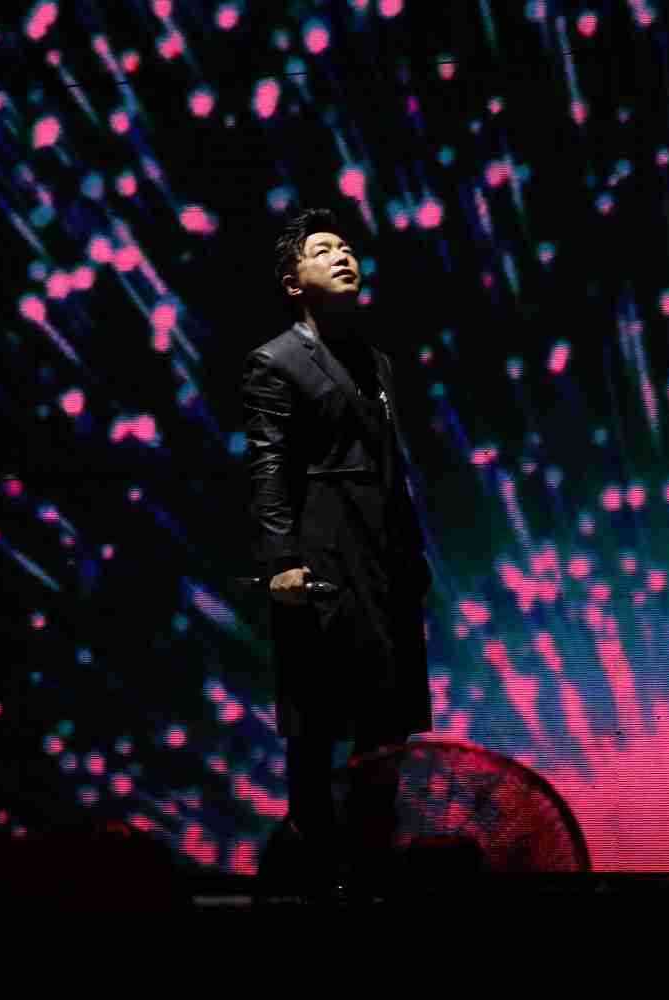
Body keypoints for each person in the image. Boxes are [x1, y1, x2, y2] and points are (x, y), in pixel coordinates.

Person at [242, 208, 433, 900]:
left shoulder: (376, 362)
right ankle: (317, 875)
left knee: (388, 721)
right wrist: (281, 559)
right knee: (317, 721)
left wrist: (410, 553)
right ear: (294, 282)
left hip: (383, 560)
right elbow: (267, 465)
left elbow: (391, 467)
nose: (342, 256)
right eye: (322, 250)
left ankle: (372, 867)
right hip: (321, 559)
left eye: (347, 247)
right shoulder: (276, 360)